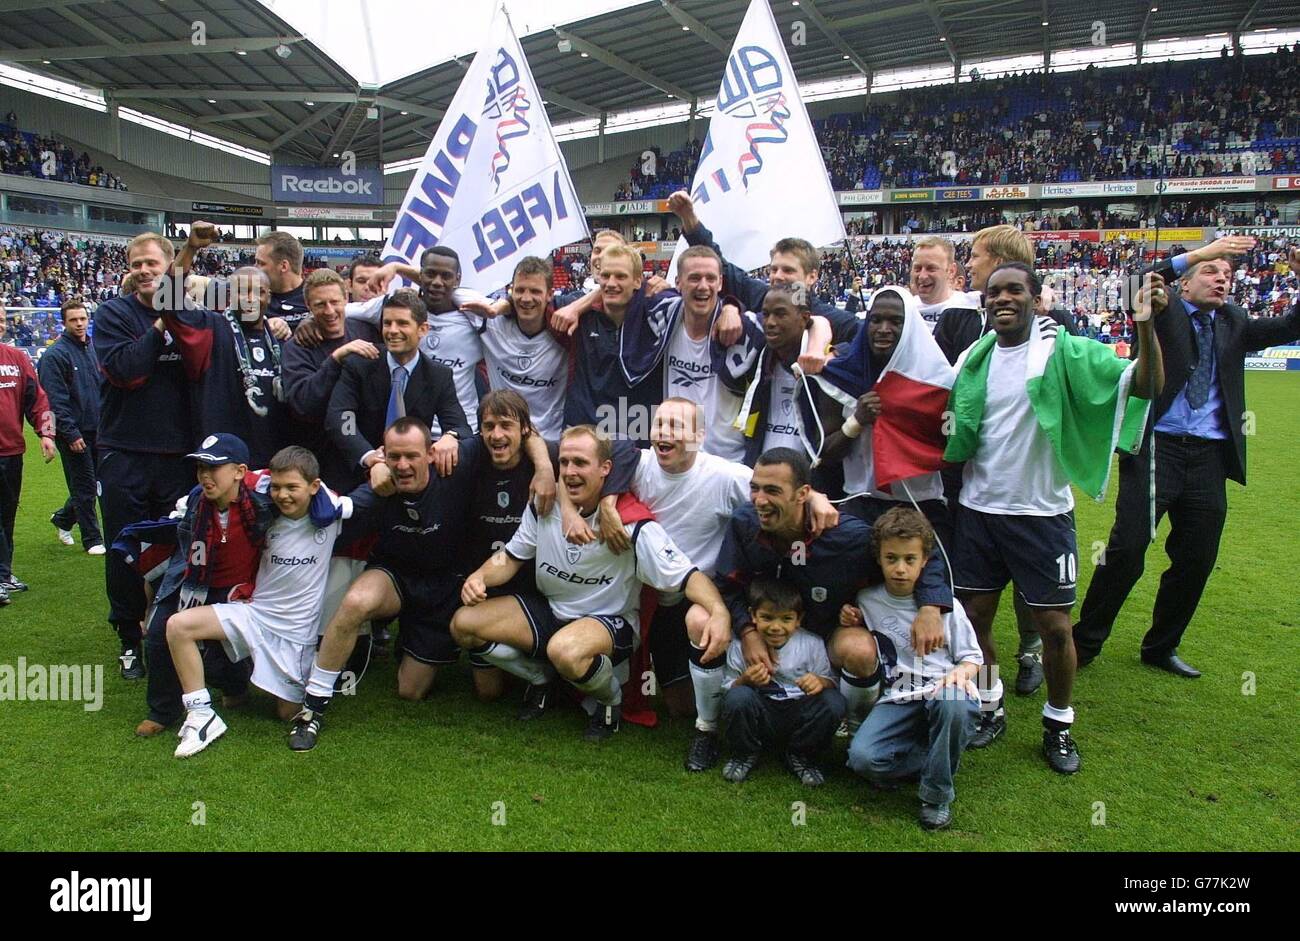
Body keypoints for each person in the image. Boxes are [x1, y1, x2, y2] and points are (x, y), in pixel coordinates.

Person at [944, 262, 1164, 774]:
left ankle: (1058, 722)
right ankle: (989, 703)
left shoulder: (1067, 351)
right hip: (979, 510)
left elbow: (1147, 385)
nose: (1002, 298)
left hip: (1041, 515)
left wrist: (1146, 323)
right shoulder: (973, 359)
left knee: (1055, 627)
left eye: (1014, 290)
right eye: (993, 291)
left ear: (1036, 297)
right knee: (974, 619)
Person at [1075, 238, 1300, 677]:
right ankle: (1085, 641)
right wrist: (1200, 251)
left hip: (1210, 458)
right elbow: (1133, 284)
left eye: (1228, 275)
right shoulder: (1165, 309)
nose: (1222, 279)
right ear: (1187, 281)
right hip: (1157, 448)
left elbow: (1291, 326)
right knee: (1127, 547)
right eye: (1211, 271)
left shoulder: (1233, 321)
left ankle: (1161, 646)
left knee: (1197, 557)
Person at [459, 425, 732, 742]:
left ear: (606, 468)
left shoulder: (628, 522)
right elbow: (510, 557)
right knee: (463, 624)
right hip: (553, 611)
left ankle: (609, 702)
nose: (570, 472)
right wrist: (478, 576)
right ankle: (541, 678)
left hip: (609, 622)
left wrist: (718, 611)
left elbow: (686, 576)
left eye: (580, 463)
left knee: (565, 651)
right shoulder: (545, 506)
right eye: (564, 463)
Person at [710, 448, 953, 735]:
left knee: (859, 651)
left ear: (802, 494)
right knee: (699, 618)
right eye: (755, 489)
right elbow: (727, 585)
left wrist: (930, 606)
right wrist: (748, 632)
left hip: (828, 633)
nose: (760, 501)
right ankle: (708, 726)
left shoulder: (846, 536)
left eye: (772, 491)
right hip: (766, 626)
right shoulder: (744, 523)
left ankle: (853, 729)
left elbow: (923, 551)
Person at [289, 418, 481, 751]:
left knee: (410, 691)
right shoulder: (380, 487)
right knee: (355, 602)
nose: (403, 465)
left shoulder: (455, 472)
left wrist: (456, 435)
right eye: (394, 457)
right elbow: (333, 511)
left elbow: (506, 434)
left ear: (431, 454)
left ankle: (411, 641)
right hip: (395, 578)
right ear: (383, 456)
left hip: (443, 590)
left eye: (411, 456)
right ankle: (313, 708)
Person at [165, 445, 349, 757]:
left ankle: (276, 682)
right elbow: (245, 482)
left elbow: (362, 498)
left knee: (286, 712)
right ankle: (201, 715)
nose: (283, 495)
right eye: (277, 487)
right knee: (179, 626)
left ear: (314, 487)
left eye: (292, 488)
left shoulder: (331, 517)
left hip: (295, 634)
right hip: (255, 614)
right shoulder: (264, 516)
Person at [94, 232, 196, 679]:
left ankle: (165, 632)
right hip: (126, 452)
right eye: (136, 263)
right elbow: (128, 369)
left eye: (152, 263)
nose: (143, 270)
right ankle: (129, 640)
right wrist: (161, 323)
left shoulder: (193, 316)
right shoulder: (114, 314)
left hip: (178, 455)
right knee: (125, 550)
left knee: (176, 550)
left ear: (169, 266)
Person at [843, 508, 983, 830]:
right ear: (878, 559)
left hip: (943, 689)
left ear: (925, 561)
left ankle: (936, 795)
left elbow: (974, 659)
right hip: (900, 696)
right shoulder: (867, 600)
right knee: (862, 760)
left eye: (909, 559)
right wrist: (846, 617)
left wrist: (959, 676)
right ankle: (937, 755)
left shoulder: (946, 607)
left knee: (953, 704)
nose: (900, 569)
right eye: (891, 558)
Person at [134, 433, 270, 737]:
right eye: (200, 469)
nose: (206, 476)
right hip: (192, 583)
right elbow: (173, 549)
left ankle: (237, 685)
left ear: (239, 472)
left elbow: (298, 483)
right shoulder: (192, 502)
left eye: (214, 468)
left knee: (220, 659)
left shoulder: (263, 497)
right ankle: (163, 710)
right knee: (157, 634)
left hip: (237, 592)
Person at [814, 286, 954, 542]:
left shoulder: (938, 381)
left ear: (910, 326)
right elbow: (825, 453)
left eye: (895, 321)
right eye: (875, 320)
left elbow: (952, 448)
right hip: (860, 503)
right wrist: (856, 421)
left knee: (926, 581)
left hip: (921, 503)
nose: (883, 329)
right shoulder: (842, 375)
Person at [668, 189, 859, 344]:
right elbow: (722, 266)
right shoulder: (761, 296)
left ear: (812, 276)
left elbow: (871, 341)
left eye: (788, 270)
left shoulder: (835, 320)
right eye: (774, 269)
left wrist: (834, 352)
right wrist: (688, 217)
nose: (778, 276)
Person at [325, 288, 469, 491]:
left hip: (410, 480)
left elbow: (460, 426)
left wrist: (451, 436)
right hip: (356, 477)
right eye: (387, 323)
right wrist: (369, 457)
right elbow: (341, 416)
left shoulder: (438, 375)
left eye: (402, 323)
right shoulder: (360, 364)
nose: (392, 330)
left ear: (423, 329)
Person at [719, 579, 846, 786]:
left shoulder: (812, 643)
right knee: (738, 697)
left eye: (786, 619)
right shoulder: (740, 645)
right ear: (752, 615)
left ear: (799, 619)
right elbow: (727, 690)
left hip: (799, 712)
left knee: (833, 702)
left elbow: (832, 681)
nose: (776, 627)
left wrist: (820, 682)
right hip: (762, 713)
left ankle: (801, 755)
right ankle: (744, 753)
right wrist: (746, 680)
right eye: (767, 618)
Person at [160, 266, 290, 468]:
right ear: (230, 294)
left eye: (259, 291)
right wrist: (191, 249)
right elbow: (167, 300)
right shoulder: (211, 328)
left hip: (274, 467)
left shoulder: (280, 340)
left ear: (269, 297)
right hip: (223, 468)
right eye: (242, 290)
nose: (251, 298)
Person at [281, 269, 380, 491]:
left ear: (346, 298)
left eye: (335, 301)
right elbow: (303, 405)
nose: (329, 311)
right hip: (322, 460)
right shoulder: (298, 347)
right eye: (320, 304)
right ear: (308, 306)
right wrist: (336, 359)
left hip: (368, 452)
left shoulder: (368, 331)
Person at [0, 302, 57, 605]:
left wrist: (46, 433)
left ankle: (5, 574)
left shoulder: (17, 358)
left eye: (0, 319)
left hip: (11, 452)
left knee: (7, 517)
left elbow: (38, 400)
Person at [38, 297, 104, 554]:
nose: (79, 324)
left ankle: (63, 519)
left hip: (99, 428)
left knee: (97, 483)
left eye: (83, 319)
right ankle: (93, 539)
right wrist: (69, 432)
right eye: (73, 320)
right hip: (74, 432)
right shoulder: (55, 356)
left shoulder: (93, 349)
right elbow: (55, 400)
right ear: (63, 322)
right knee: (85, 487)